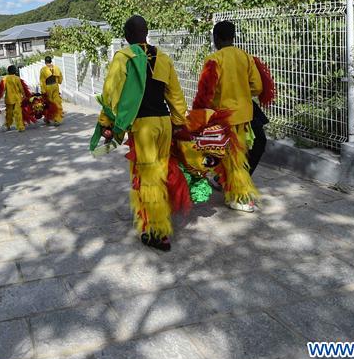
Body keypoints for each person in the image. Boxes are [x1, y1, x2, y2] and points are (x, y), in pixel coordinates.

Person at [90, 15, 190, 252]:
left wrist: (107, 123)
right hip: (163, 123)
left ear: (126, 36)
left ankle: (157, 233)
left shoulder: (124, 57)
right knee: (162, 170)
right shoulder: (162, 58)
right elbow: (175, 94)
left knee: (148, 178)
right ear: (146, 33)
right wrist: (178, 121)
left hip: (143, 126)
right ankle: (160, 217)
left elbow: (110, 93)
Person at [192, 20, 274, 212]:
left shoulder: (214, 59)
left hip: (224, 117)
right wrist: (242, 94)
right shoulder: (245, 57)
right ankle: (229, 187)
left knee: (233, 159)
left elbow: (206, 92)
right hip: (244, 116)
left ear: (216, 38)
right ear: (233, 37)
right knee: (237, 155)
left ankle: (241, 198)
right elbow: (258, 87)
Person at [0, 65, 31, 132]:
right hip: (17, 99)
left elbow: (2, 90)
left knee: (9, 113)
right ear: (15, 71)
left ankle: (8, 125)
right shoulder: (17, 78)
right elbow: (21, 88)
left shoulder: (4, 79)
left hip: (9, 99)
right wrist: (24, 96)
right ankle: (20, 127)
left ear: (8, 71)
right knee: (18, 113)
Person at [39, 56, 64, 125]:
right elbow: (60, 77)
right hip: (55, 86)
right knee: (57, 102)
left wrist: (43, 90)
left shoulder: (43, 70)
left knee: (48, 103)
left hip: (48, 87)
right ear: (51, 61)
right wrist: (59, 81)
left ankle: (47, 119)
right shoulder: (56, 68)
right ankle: (57, 119)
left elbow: (42, 81)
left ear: (45, 62)